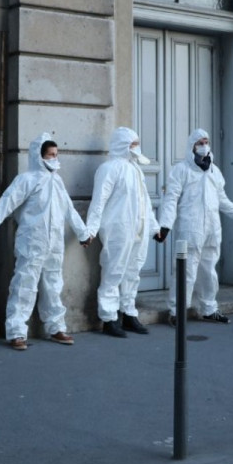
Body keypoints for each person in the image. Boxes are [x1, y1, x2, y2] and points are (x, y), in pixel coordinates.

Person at [0, 133, 90, 350]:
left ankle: (56, 327)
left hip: (54, 243)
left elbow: (69, 210)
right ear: (38, 156)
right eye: (50, 155)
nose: (54, 159)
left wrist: (83, 234)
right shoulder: (26, 180)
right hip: (32, 241)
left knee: (53, 285)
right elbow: (6, 204)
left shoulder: (57, 181)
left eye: (56, 155)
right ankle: (16, 332)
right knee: (23, 286)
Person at [156, 129, 233, 326]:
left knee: (209, 272)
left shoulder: (214, 170)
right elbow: (171, 200)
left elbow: (222, 199)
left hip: (212, 230)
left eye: (206, 141)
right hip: (190, 228)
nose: (204, 145)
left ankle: (209, 308)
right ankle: (177, 311)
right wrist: (165, 226)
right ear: (192, 146)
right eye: (200, 142)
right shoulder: (181, 170)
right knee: (185, 271)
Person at [84, 127, 158, 338]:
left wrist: (154, 228)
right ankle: (108, 318)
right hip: (118, 228)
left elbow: (145, 203)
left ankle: (128, 313)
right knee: (113, 272)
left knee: (133, 272)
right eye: (133, 143)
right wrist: (90, 230)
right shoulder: (109, 169)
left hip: (139, 228)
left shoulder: (136, 169)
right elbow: (98, 203)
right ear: (122, 144)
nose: (136, 147)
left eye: (137, 143)